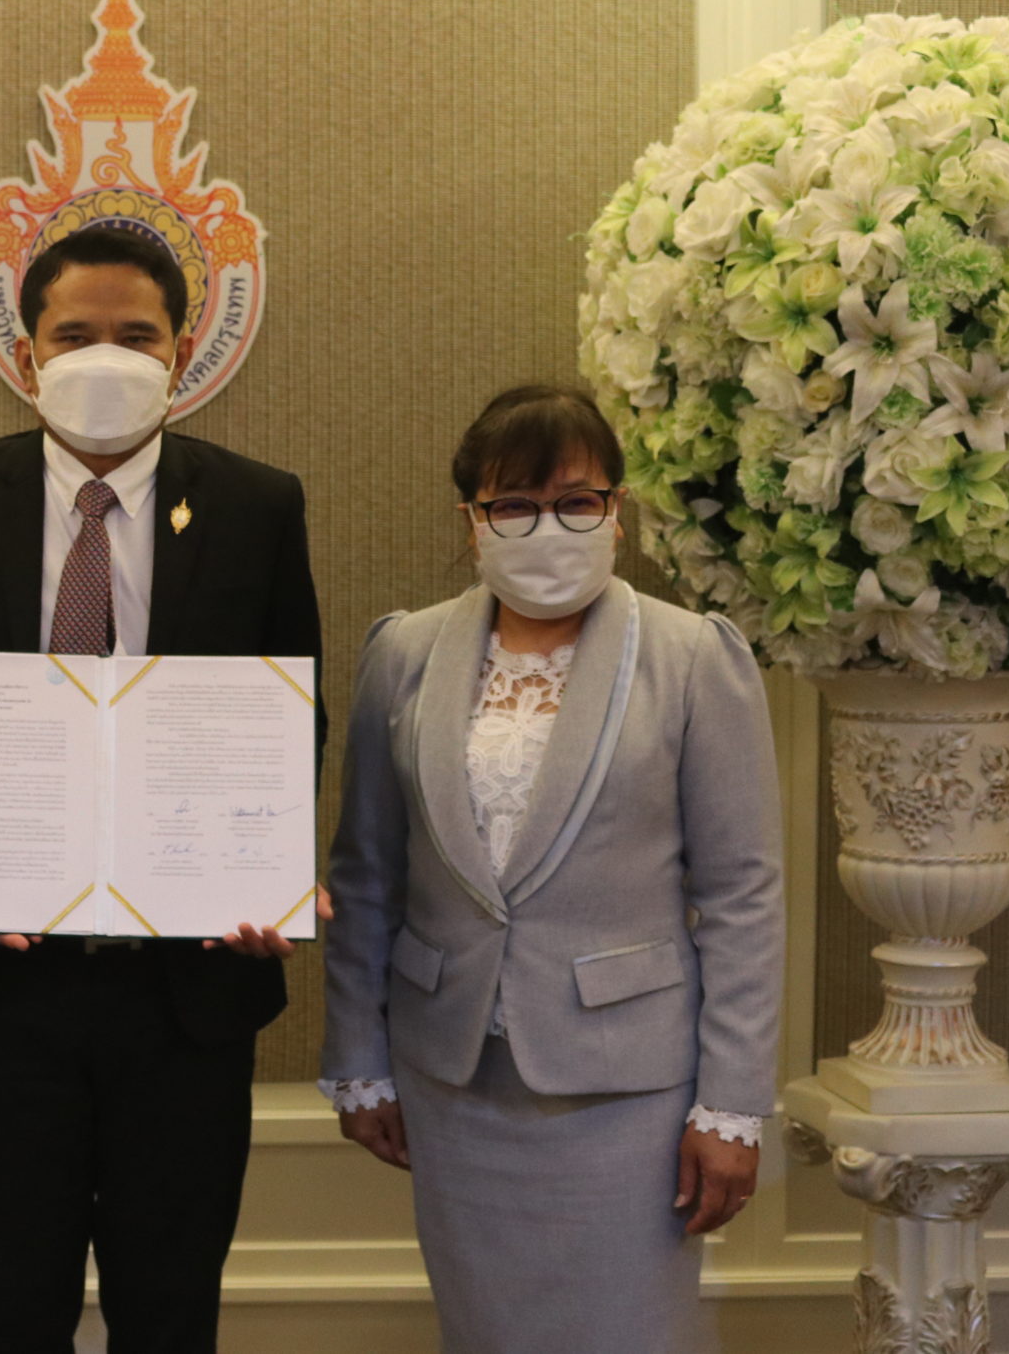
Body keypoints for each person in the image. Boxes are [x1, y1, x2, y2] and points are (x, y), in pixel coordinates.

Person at [0, 224, 324, 1354]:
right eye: (74, 335)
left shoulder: (258, 505)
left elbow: (291, 719)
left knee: (171, 1313)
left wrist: (259, 870)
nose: (104, 357)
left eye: (135, 335)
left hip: (187, 996)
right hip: (0, 988)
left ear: (183, 353)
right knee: (12, 1312)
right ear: (26, 353)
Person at [319, 384, 785, 1354]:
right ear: (471, 519)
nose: (548, 528)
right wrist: (357, 1057)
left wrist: (733, 1104)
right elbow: (364, 875)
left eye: (576, 501)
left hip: (629, 1093)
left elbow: (742, 896)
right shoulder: (403, 653)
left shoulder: (693, 658)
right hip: (452, 1081)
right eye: (515, 505)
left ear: (617, 510)